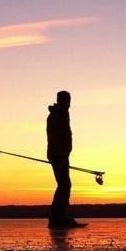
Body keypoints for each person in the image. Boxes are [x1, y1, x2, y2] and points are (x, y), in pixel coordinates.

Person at [46, 90, 81, 228]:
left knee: (64, 184)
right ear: (59, 101)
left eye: (69, 101)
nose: (68, 104)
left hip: (63, 155)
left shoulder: (64, 114)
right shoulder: (55, 116)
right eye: (65, 101)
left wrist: (65, 154)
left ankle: (59, 215)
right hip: (58, 156)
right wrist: (59, 156)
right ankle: (57, 217)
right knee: (64, 184)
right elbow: (54, 138)